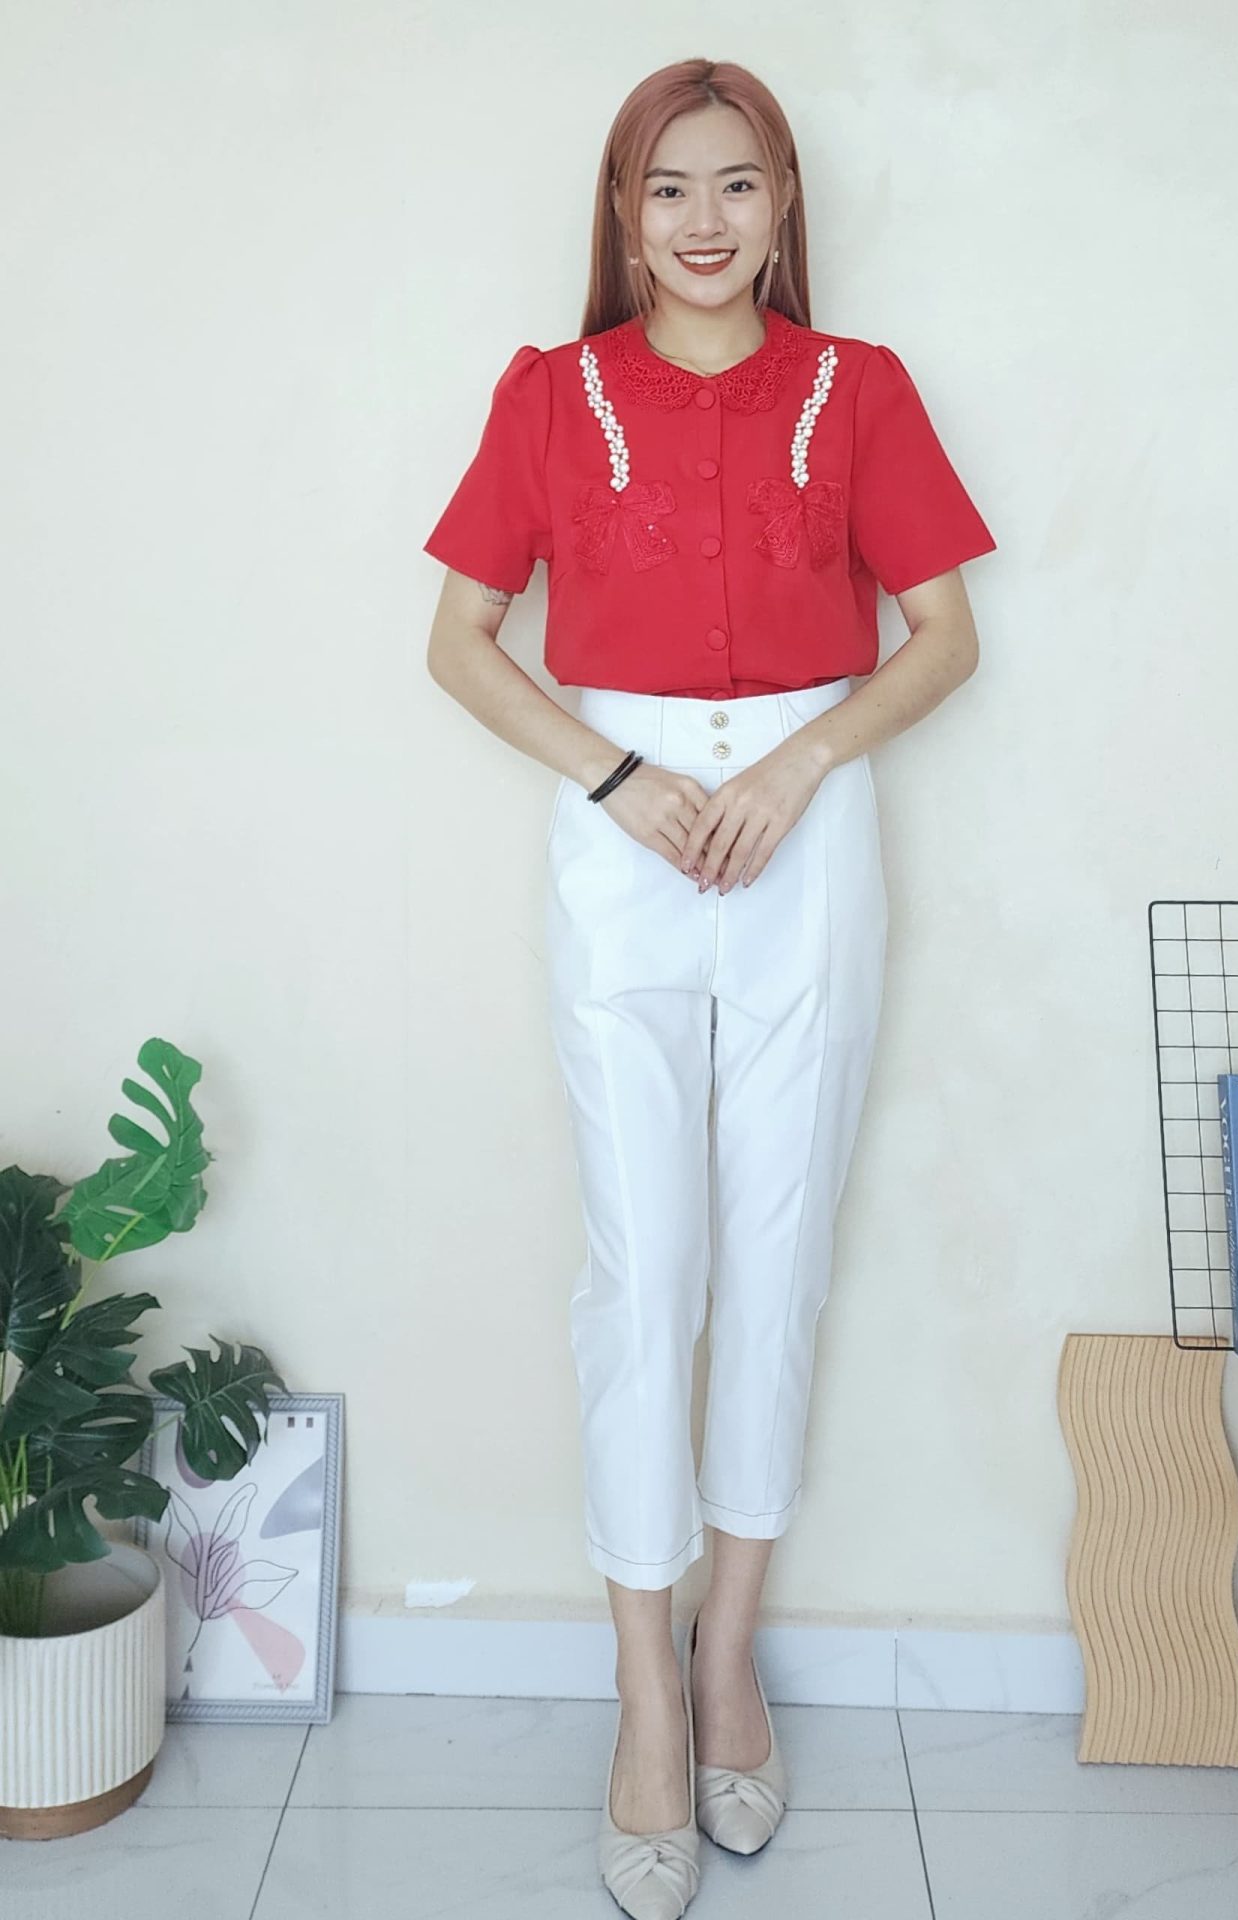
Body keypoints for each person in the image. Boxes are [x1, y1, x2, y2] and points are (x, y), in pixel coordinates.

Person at [421, 57, 997, 1919]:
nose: (702, 221)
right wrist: (617, 776)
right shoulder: (550, 395)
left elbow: (945, 636)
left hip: (808, 840)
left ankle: (728, 1654)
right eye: (667, 187)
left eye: (738, 184)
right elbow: (459, 642)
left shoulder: (861, 388)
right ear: (623, 211)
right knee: (645, 1266)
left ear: (782, 204)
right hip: (625, 843)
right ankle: (644, 1692)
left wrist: (801, 764)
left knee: (780, 1246)